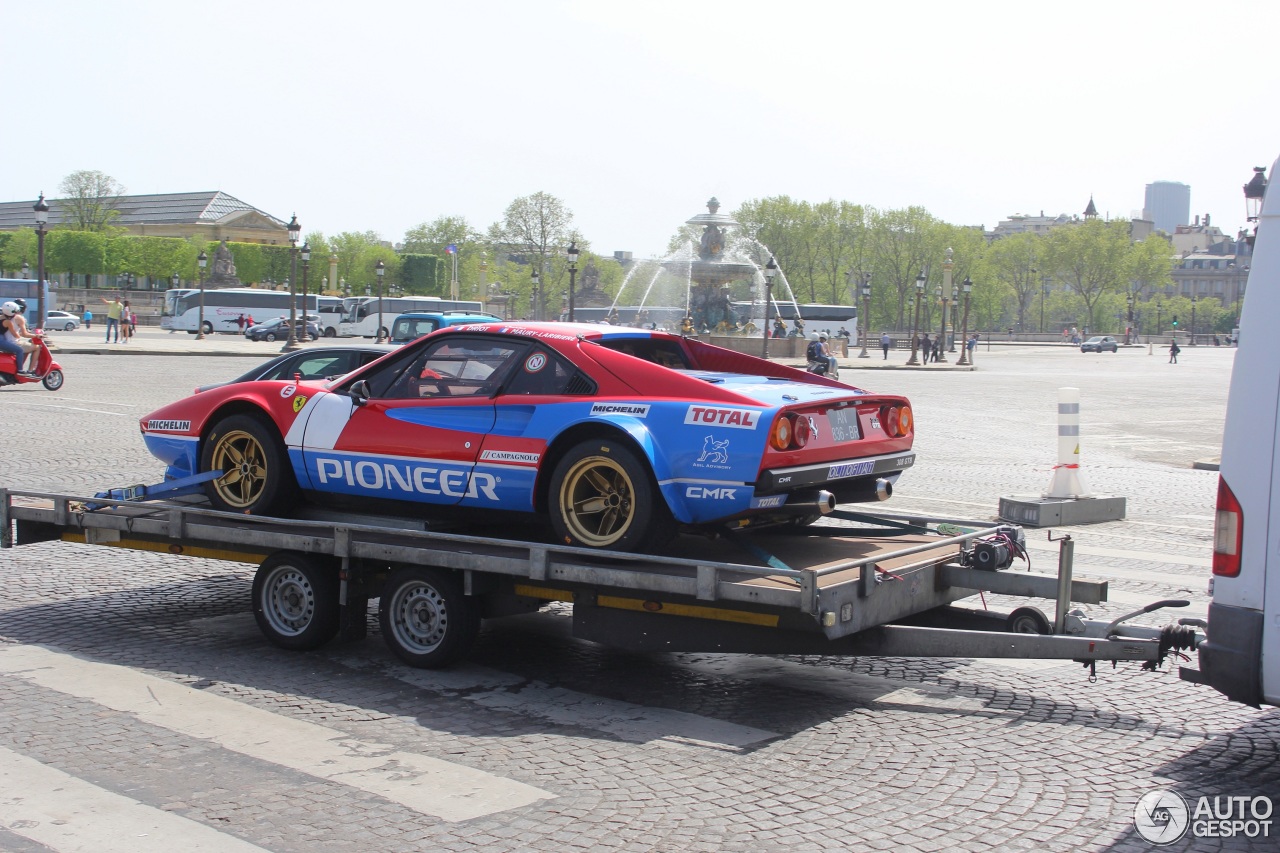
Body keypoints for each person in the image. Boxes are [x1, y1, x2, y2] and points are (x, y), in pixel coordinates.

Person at [1, 301, 36, 375]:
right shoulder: (8, 322)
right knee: (19, 350)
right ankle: (20, 370)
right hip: (1, 341)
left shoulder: (1, 317)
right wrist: (20, 335)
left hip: (2, 340)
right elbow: (15, 335)